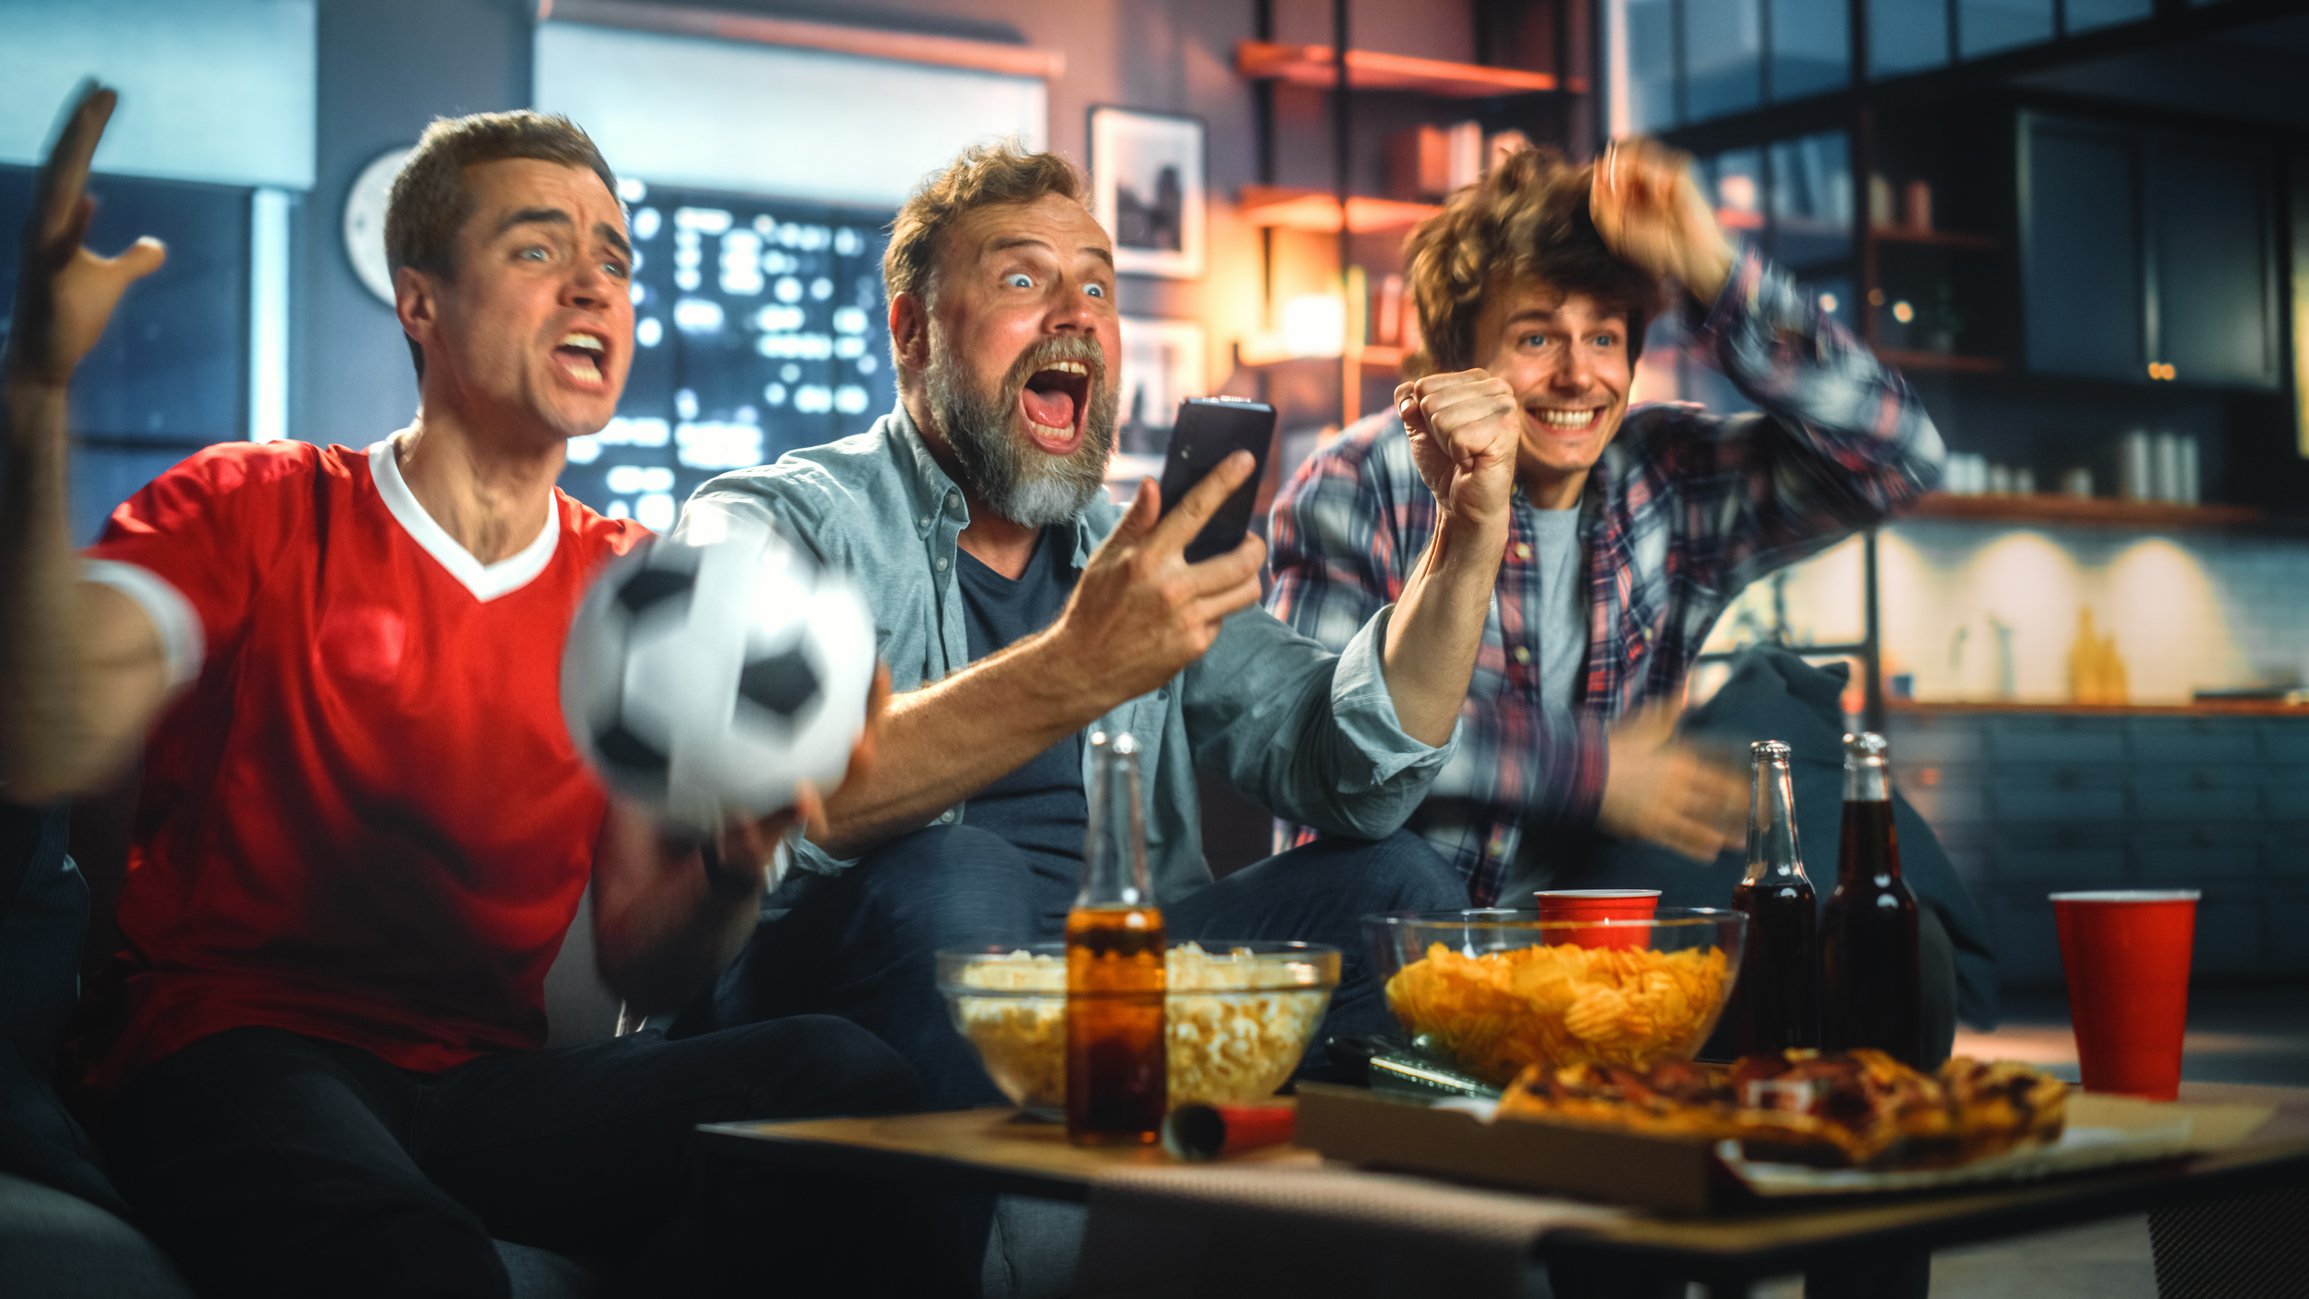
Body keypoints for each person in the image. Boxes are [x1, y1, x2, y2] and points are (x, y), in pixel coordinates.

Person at [0, 84, 928, 1299]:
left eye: (613, 259)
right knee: (414, 1263)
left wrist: (733, 858)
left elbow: (649, 962)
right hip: (225, 1046)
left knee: (848, 1089)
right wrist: (36, 392)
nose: (594, 285)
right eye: (537, 248)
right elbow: (44, 731)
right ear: (419, 301)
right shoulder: (255, 504)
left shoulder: (640, 595)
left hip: (480, 1083)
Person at [669, 142, 1518, 1108]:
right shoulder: (773, 521)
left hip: (1103, 982)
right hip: (837, 986)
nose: (1074, 313)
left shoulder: (1131, 554)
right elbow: (758, 800)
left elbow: (1350, 766)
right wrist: (1074, 667)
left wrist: (1466, 533)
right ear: (912, 333)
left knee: (1398, 887)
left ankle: (1285, 1220)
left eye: (1099, 289)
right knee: (960, 871)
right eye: (1023, 278)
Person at [1266, 140, 1947, 908]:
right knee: (1401, 874)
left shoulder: (1668, 474)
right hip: (1394, 936)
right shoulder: (1356, 483)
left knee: (1840, 893)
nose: (1577, 374)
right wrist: (1592, 772)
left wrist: (1709, 266)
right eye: (1533, 337)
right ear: (1456, 359)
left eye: (1603, 337)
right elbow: (1320, 739)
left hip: (1595, 938)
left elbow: (1898, 455)